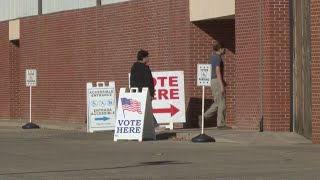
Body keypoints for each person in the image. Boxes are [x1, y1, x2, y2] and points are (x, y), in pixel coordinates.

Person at [130, 49, 165, 132]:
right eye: (147, 57)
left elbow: (132, 81)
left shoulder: (133, 67)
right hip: (145, 93)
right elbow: (149, 81)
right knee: (147, 110)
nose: (149, 59)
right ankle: (155, 126)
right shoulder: (145, 68)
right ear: (143, 58)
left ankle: (137, 128)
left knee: (140, 110)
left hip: (135, 92)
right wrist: (151, 93)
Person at [198, 42, 231, 130]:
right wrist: (221, 85)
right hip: (216, 81)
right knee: (222, 103)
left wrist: (223, 81)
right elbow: (217, 71)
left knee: (217, 103)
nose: (225, 50)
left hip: (213, 81)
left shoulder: (213, 58)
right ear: (220, 49)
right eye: (224, 49)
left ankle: (204, 117)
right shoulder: (217, 58)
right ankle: (220, 124)